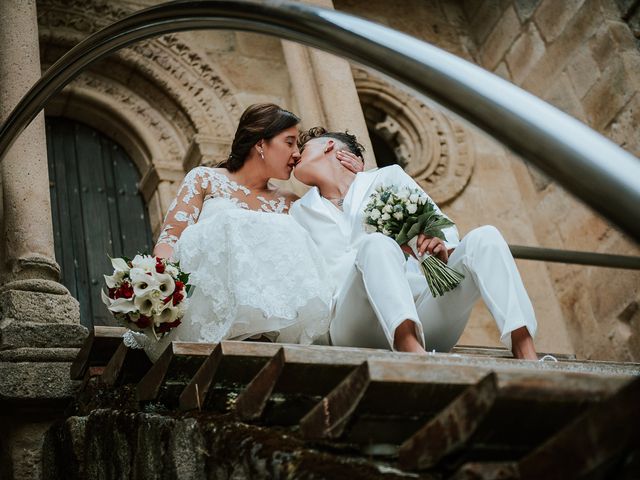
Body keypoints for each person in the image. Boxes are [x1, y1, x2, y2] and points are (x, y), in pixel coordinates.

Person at [124, 104, 364, 361]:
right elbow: (171, 240)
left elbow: (334, 240)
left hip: (271, 326)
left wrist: (353, 181)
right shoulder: (205, 179)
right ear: (261, 144)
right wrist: (160, 289)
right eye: (290, 142)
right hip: (205, 307)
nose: (296, 154)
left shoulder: (292, 203)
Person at [290, 127, 538, 360]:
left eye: (304, 148)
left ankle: (524, 347)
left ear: (328, 146)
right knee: (376, 244)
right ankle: (406, 346)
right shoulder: (299, 212)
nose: (295, 156)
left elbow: (445, 233)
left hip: (425, 317)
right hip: (353, 325)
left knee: (486, 236)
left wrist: (439, 247)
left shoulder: (387, 177)